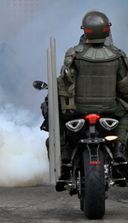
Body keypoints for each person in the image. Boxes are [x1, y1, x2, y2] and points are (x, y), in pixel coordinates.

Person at [56, 11, 128, 191]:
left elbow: (65, 84)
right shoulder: (117, 55)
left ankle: (65, 159)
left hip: (77, 110)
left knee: (57, 118)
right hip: (110, 109)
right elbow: (125, 88)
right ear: (106, 30)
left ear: (85, 30)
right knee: (126, 114)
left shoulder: (73, 54)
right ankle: (119, 148)